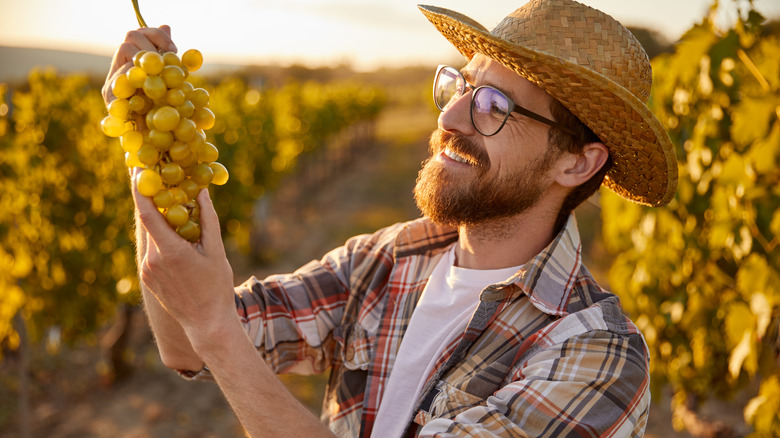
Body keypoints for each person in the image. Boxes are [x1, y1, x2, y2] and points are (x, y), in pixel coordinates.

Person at [103, 0, 678, 436]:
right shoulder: (386, 259)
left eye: (494, 106)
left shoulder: (597, 356)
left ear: (579, 162)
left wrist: (214, 327)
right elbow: (186, 347)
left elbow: (210, 330)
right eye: (461, 86)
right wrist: (153, 146)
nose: (451, 115)